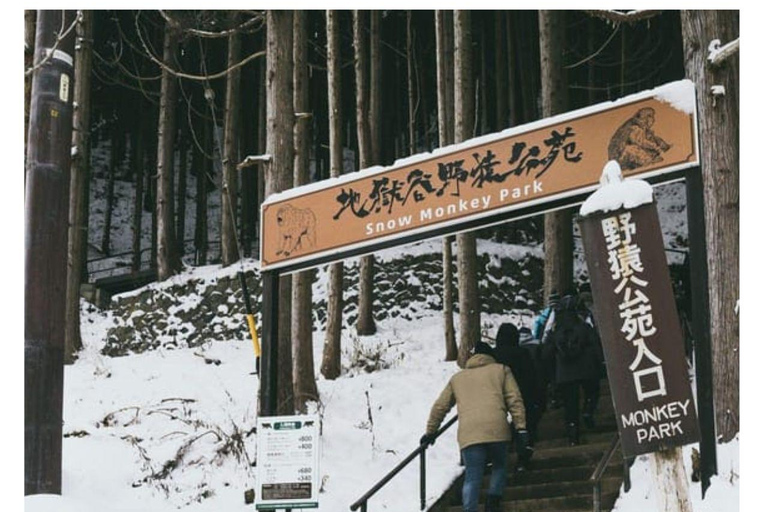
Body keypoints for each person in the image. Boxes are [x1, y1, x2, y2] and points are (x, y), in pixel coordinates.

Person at [422, 340, 527, 512]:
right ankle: (493, 501)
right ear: (490, 356)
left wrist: (430, 432)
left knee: (472, 475)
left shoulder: (458, 378)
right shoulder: (501, 370)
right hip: (497, 428)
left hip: (470, 433)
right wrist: (521, 427)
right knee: (500, 466)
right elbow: (514, 400)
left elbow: (440, 406)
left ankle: (470, 509)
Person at [542, 294, 603, 445]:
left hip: (565, 372)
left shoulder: (556, 330)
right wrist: (600, 364)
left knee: (570, 404)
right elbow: (596, 346)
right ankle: (588, 409)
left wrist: (551, 375)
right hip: (587, 369)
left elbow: (546, 353)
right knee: (593, 391)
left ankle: (573, 433)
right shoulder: (583, 327)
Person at [494, 323, 544, 472]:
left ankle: (497, 458)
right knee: (524, 425)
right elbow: (532, 376)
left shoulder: (493, 355)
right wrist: (539, 398)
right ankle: (523, 457)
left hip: (499, 395)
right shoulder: (522, 353)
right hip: (523, 394)